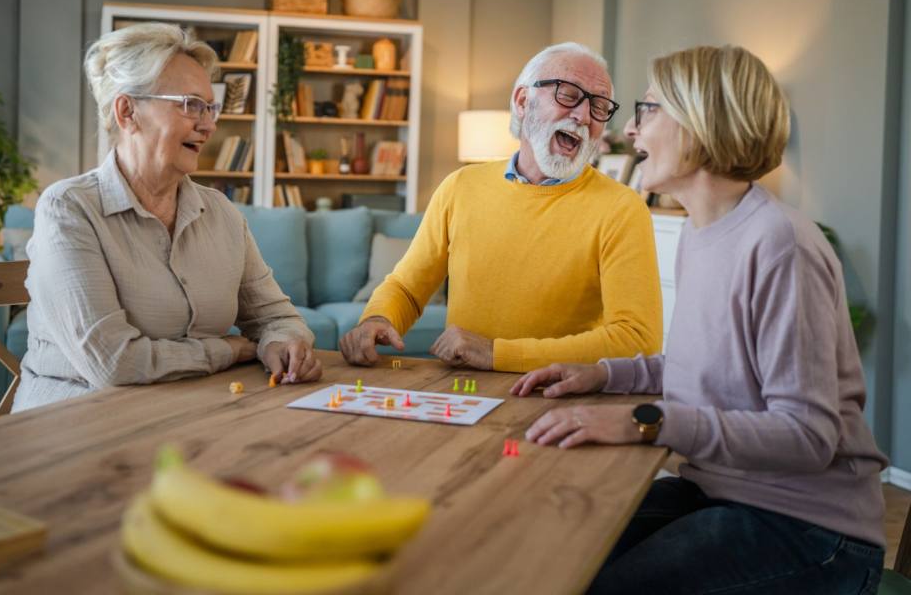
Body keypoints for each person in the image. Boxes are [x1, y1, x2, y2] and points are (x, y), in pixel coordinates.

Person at [512, 45, 886, 593]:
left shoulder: (780, 244)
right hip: (723, 492)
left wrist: (644, 422)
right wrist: (602, 375)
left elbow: (808, 434)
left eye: (650, 110)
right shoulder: (698, 232)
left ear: (702, 121)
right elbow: (705, 362)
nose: (632, 133)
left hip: (812, 529)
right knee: (551, 540)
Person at [13, 23, 320, 411]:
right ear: (127, 111)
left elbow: (276, 316)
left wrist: (282, 342)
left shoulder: (221, 213)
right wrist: (226, 350)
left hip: (190, 415)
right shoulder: (68, 209)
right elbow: (113, 362)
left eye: (211, 107)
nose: (209, 125)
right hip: (77, 423)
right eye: (191, 105)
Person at [340, 42, 662, 372]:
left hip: (559, 400)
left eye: (599, 105)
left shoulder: (622, 209)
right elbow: (408, 288)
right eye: (568, 95)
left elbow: (637, 340)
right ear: (523, 102)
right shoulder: (460, 186)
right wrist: (377, 318)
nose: (584, 116)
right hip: (463, 391)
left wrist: (498, 353)